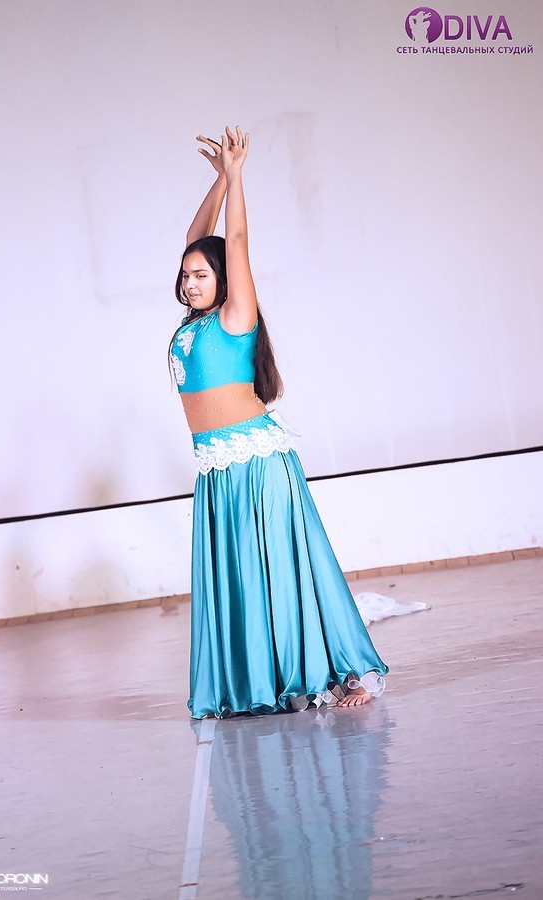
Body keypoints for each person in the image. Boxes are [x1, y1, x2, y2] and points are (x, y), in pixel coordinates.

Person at [170, 126, 388, 719]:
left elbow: (233, 242)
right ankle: (266, 680)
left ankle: (344, 671)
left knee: (284, 569)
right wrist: (217, 182)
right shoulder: (192, 324)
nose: (191, 282)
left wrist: (237, 177)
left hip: (257, 462)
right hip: (216, 469)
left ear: (223, 280)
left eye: (202, 275)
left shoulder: (235, 315)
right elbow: (197, 240)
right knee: (241, 579)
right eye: (187, 276)